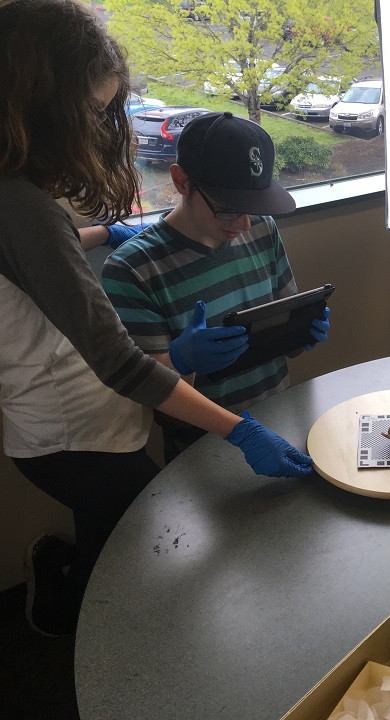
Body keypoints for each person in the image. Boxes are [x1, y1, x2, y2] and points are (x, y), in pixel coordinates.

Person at [0, 0, 313, 637]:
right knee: (136, 547)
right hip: (65, 422)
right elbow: (121, 363)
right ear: (45, 104)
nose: (97, 129)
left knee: (109, 531)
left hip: (81, 402)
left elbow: (32, 257)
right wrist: (241, 432)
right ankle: (94, 639)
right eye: (91, 112)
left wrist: (91, 234)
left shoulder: (22, 194)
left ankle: (71, 589)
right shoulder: (25, 210)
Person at [102, 111, 330, 462]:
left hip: (281, 423)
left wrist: (300, 330)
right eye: (227, 209)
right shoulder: (132, 269)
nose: (242, 223)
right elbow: (159, 402)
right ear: (181, 181)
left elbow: (290, 352)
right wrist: (181, 359)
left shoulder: (262, 230)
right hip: (200, 453)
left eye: (252, 207)